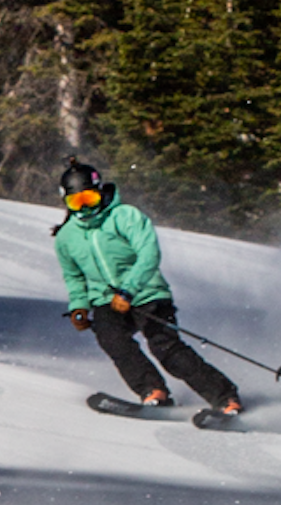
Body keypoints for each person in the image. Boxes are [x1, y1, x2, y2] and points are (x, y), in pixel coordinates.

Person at [52, 157, 239, 413]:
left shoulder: (124, 216)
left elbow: (149, 254)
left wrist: (129, 289)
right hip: (106, 300)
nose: (84, 208)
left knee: (166, 348)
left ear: (100, 192)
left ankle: (225, 398)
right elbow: (73, 276)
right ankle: (152, 390)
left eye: (89, 200)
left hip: (147, 292)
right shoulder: (66, 236)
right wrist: (79, 306)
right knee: (111, 338)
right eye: (76, 202)